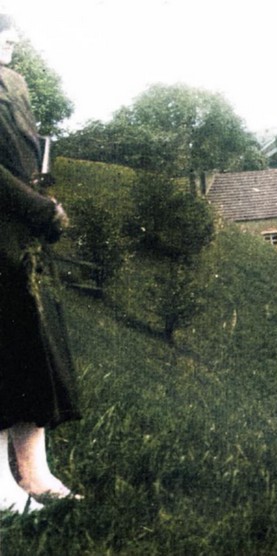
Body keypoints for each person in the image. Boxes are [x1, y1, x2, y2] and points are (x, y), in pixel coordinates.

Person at [0, 12, 81, 513]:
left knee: (31, 350)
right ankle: (3, 492)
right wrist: (41, 209)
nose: (9, 37)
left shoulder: (11, 83)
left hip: (19, 237)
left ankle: (35, 474)